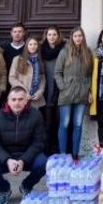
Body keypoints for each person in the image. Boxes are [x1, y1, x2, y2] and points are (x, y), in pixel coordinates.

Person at [0, 86, 47, 204]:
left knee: (43, 163)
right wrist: (7, 160)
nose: (17, 103)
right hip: (6, 155)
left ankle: (26, 186)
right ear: (8, 101)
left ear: (26, 100)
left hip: (27, 154)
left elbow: (39, 142)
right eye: (14, 99)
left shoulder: (36, 115)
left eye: (20, 99)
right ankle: (4, 190)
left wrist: (23, 160)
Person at [54, 27, 93, 158]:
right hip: (66, 93)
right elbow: (57, 72)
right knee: (64, 124)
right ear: (72, 37)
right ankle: (63, 153)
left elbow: (90, 75)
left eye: (80, 36)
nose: (78, 38)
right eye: (75, 36)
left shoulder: (87, 53)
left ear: (83, 37)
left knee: (78, 124)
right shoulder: (65, 52)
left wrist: (89, 91)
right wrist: (63, 87)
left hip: (82, 93)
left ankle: (75, 153)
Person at [40, 26, 65, 154]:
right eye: (49, 34)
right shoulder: (41, 49)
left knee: (60, 123)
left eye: (54, 34)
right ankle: (47, 150)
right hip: (45, 91)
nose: (52, 37)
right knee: (47, 124)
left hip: (60, 91)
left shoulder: (64, 49)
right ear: (46, 35)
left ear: (58, 35)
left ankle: (59, 150)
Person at [8, 36, 46, 108]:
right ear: (26, 46)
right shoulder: (18, 59)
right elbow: (12, 78)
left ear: (38, 46)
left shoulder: (40, 61)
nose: (33, 46)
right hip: (20, 96)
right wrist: (24, 91)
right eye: (30, 44)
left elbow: (42, 79)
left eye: (35, 44)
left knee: (33, 118)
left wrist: (39, 93)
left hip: (35, 98)